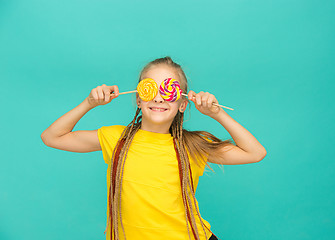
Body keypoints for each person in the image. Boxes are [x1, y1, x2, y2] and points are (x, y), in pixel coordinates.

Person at [41, 56, 267, 240]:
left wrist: (217, 113)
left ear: (182, 104)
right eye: (151, 89)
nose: (159, 98)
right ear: (139, 99)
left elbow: (255, 153)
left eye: (169, 91)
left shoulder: (193, 145)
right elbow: (52, 137)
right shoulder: (115, 138)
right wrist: (88, 103)